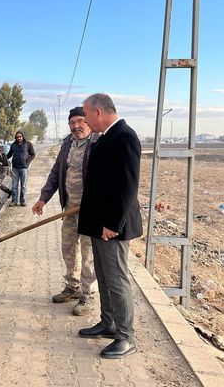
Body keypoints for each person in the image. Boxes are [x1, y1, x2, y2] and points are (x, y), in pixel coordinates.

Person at [77, 93, 142, 360]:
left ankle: (126, 336)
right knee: (103, 277)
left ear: (99, 112)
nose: (85, 120)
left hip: (111, 227)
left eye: (87, 115)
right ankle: (108, 323)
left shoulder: (125, 137)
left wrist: (113, 224)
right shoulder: (106, 137)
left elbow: (127, 186)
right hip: (98, 225)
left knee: (117, 279)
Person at [32, 106, 97, 316]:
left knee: (88, 255)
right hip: (69, 209)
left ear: (88, 122)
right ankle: (72, 287)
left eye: (80, 121)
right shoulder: (67, 145)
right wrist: (43, 198)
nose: (76, 126)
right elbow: (55, 173)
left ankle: (88, 296)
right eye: (72, 123)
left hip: (90, 211)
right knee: (69, 249)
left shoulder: (96, 144)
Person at [6, 131, 35, 207]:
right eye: (17, 137)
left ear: (23, 136)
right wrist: (4, 159)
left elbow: (33, 154)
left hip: (24, 168)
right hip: (15, 168)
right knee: (14, 185)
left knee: (23, 186)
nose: (18, 138)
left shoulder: (28, 144)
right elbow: (9, 154)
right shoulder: (13, 145)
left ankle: (23, 201)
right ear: (15, 138)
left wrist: (27, 162)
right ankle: (14, 201)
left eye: (20, 136)